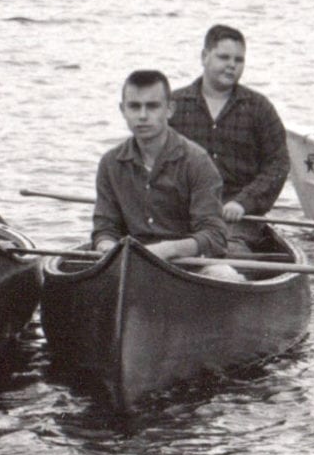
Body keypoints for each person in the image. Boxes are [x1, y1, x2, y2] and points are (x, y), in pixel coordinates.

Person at [92, 70, 241, 280]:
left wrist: (167, 249)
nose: (142, 116)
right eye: (134, 106)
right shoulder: (110, 163)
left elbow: (214, 236)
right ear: (122, 110)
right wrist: (106, 246)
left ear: (169, 109)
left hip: (189, 267)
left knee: (227, 276)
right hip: (130, 264)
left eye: (152, 106)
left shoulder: (197, 162)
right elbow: (105, 227)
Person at [167, 24, 289, 254]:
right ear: (204, 56)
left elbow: (278, 165)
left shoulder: (259, 108)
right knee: (152, 247)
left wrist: (244, 202)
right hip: (182, 212)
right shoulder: (173, 105)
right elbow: (151, 159)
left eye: (239, 60)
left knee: (230, 254)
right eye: (224, 57)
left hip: (237, 219)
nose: (232, 65)